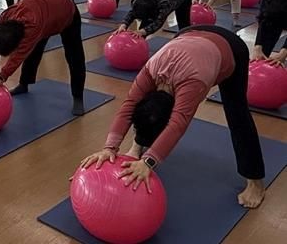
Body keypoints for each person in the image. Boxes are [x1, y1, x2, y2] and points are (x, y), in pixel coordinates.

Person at [80, 25, 266, 209]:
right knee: (149, 111)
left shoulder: (193, 84)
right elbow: (129, 105)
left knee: (237, 113)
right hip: (188, 34)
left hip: (230, 46)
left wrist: (149, 161)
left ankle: (255, 182)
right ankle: (137, 146)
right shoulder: (150, 70)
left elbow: (177, 124)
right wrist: (109, 148)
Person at [0, 0, 86, 115]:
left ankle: (78, 97)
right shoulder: (5, 17)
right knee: (33, 52)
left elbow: (18, 56)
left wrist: (0, 78)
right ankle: (24, 84)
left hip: (66, 11)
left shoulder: (32, 26)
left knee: (75, 56)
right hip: (43, 12)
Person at [251, 0, 287, 65]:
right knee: (262, 53)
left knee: (282, 55)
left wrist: (283, 53)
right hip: (277, 0)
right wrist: (258, 46)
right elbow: (264, 18)